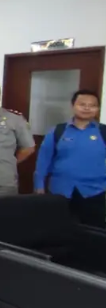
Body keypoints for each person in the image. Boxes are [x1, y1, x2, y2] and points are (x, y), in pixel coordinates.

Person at [34, 89, 106, 228]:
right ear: (73, 106)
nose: (87, 108)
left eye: (92, 105)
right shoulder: (58, 131)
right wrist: (39, 185)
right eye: (82, 104)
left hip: (94, 192)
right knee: (58, 230)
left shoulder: (103, 132)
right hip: (60, 191)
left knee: (94, 233)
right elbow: (43, 160)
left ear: (97, 109)